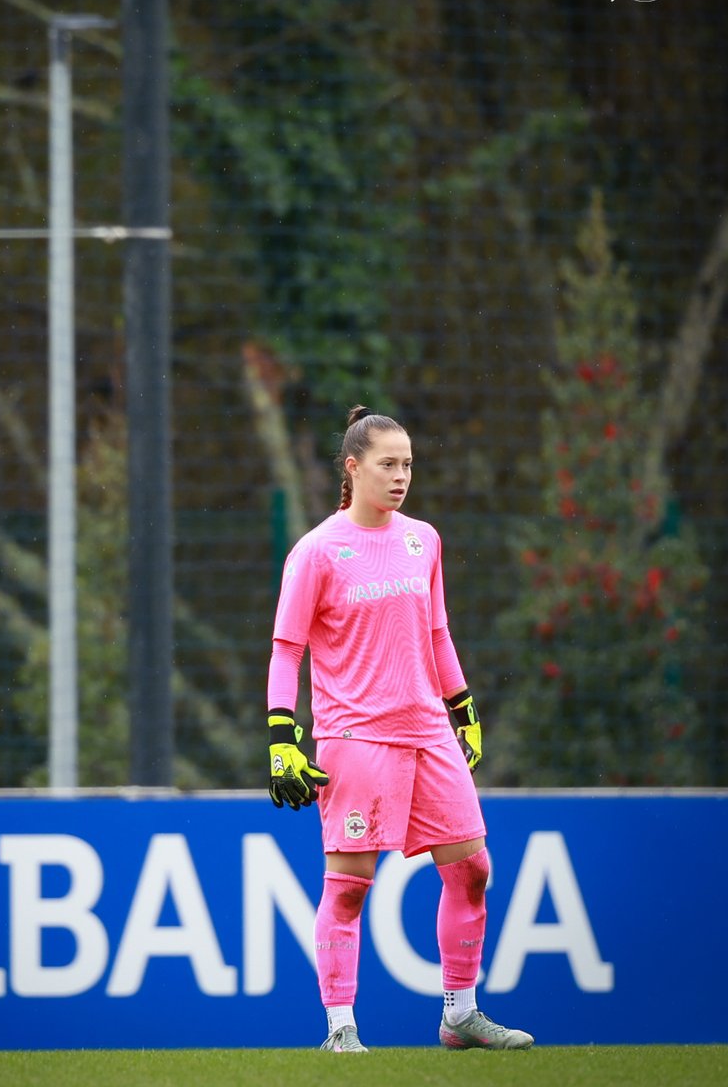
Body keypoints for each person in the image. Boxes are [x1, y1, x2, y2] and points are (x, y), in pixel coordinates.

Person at [266, 404, 534, 1053]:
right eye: (388, 464)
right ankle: (340, 1028)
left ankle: (460, 1014)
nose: (401, 476)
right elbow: (286, 649)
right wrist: (282, 741)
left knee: (473, 870)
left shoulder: (425, 540)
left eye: (408, 464)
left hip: (428, 733)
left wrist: (462, 710)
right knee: (351, 888)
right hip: (355, 736)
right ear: (353, 468)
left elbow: (437, 632)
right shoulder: (317, 552)